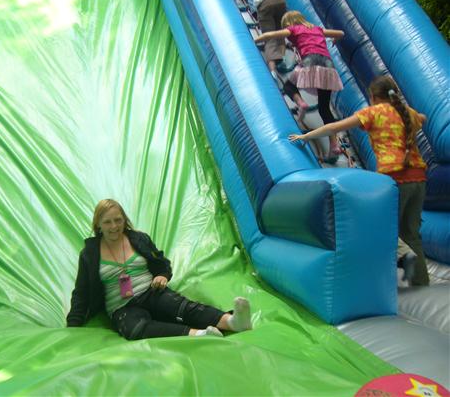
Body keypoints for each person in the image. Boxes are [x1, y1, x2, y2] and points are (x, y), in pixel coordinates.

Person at [288, 75, 429, 286]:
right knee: (412, 234)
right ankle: (422, 285)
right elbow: (423, 118)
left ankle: (403, 255)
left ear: (373, 97)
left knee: (379, 224)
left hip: (395, 176)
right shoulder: (406, 112)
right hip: (418, 177)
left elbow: (335, 127)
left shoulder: (373, 112)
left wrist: (305, 136)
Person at [66, 199, 253, 339]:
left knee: (181, 306)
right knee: (135, 329)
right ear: (98, 224)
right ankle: (199, 334)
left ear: (124, 220)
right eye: (107, 222)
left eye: (118, 220)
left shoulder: (138, 239)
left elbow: (162, 264)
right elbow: (81, 292)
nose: (114, 226)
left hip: (151, 292)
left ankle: (232, 322)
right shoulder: (90, 253)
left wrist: (162, 275)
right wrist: (72, 326)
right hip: (122, 307)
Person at [255, 10, 345, 163]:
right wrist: (335, 39)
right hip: (328, 66)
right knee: (324, 108)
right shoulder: (317, 29)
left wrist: (256, 40)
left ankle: (300, 102)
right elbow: (341, 33)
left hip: (310, 62)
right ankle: (334, 144)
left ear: (289, 23)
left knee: (289, 86)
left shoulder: (293, 29)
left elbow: (271, 35)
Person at [246, 0, 310, 121]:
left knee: (269, 38)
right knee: (280, 33)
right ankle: (281, 57)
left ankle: (273, 71)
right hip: (280, 0)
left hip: (264, 2)